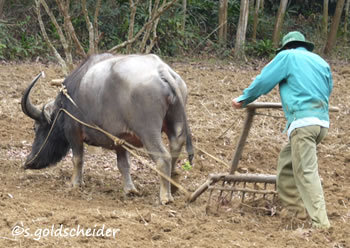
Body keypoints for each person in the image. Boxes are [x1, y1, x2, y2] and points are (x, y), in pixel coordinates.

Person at [232, 31, 333, 229]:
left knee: (306, 172)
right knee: (287, 166)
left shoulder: (287, 56)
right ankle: (298, 213)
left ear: (287, 46)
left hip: (302, 123)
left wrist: (244, 99)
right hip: (321, 124)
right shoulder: (321, 62)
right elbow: (327, 89)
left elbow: (264, 81)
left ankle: (321, 224)